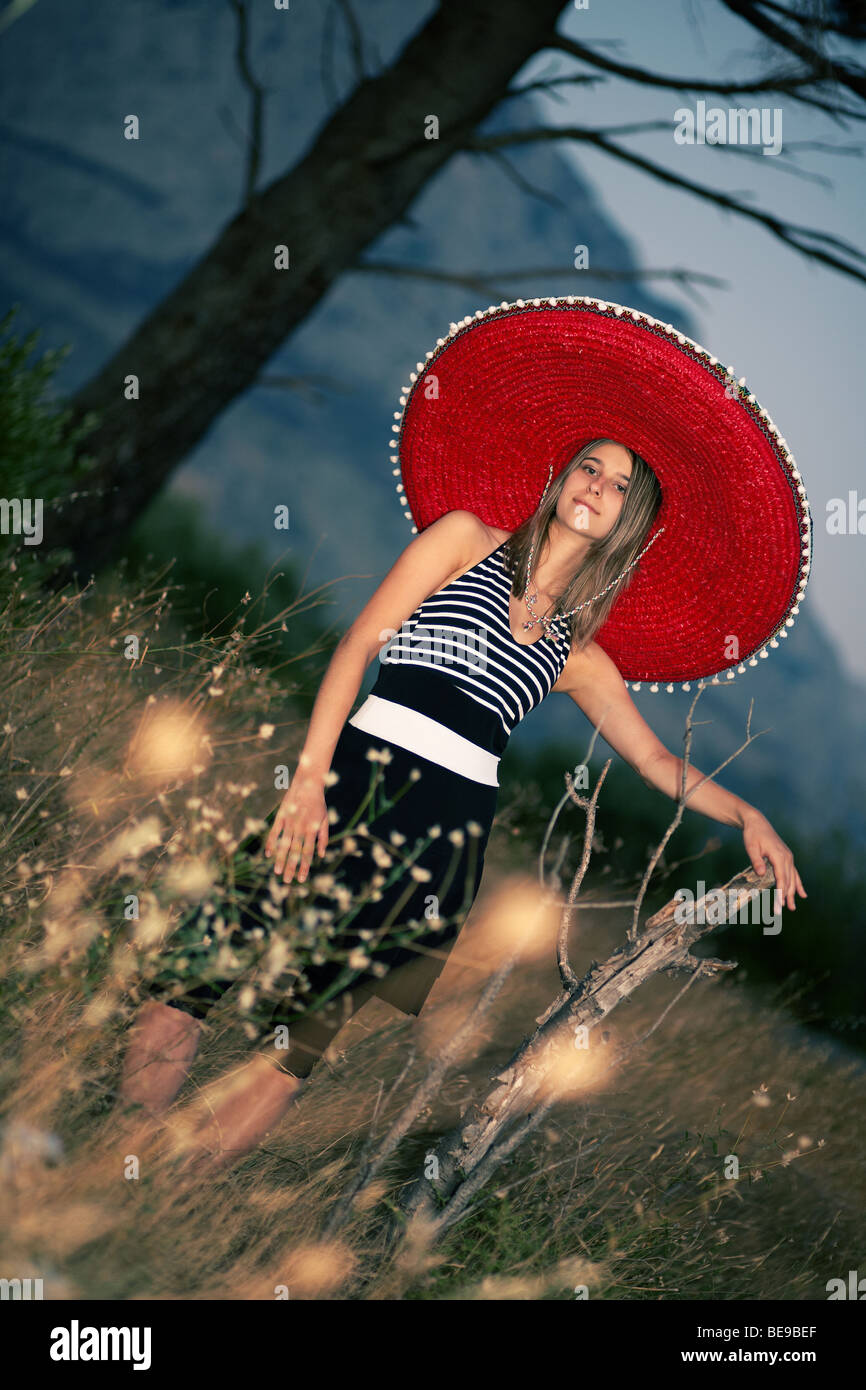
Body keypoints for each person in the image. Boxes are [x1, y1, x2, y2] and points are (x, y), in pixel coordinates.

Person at [116, 296, 810, 1168]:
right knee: (192, 971)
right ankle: (123, 1156)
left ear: (629, 521)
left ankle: (153, 1204)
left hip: (441, 842)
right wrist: (307, 777)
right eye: (591, 467)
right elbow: (361, 644)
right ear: (564, 476)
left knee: (298, 1048)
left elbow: (653, 758)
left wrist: (746, 815)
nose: (598, 486)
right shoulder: (462, 540)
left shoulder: (579, 653)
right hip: (351, 780)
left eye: (620, 486)